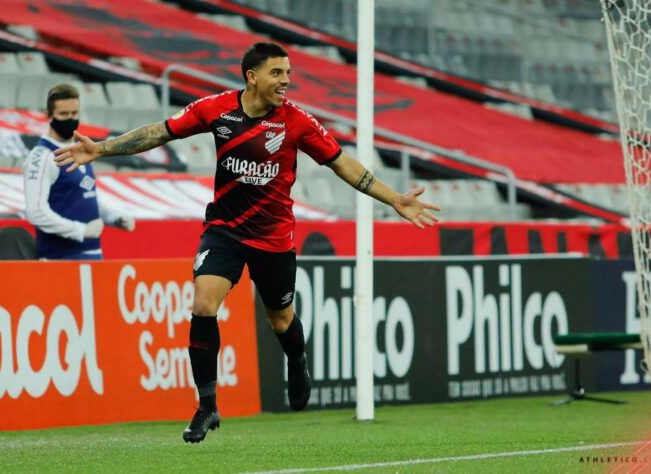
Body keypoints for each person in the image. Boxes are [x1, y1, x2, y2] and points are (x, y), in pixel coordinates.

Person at [54, 43, 440, 442]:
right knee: (203, 303)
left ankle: (296, 358)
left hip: (273, 239)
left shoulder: (298, 122)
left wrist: (394, 198)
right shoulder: (216, 109)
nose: (286, 81)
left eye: (288, 73)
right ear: (252, 77)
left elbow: (342, 162)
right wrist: (102, 147)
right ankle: (207, 406)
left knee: (281, 320)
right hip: (224, 230)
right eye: (277, 73)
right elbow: (159, 132)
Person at [22, 83, 134, 260]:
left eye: (74, 113)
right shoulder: (42, 156)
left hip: (92, 254)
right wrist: (81, 230)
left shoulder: (80, 149)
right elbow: (35, 211)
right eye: (63, 114)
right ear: (49, 116)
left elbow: (82, 197)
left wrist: (114, 217)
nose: (70, 119)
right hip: (60, 258)